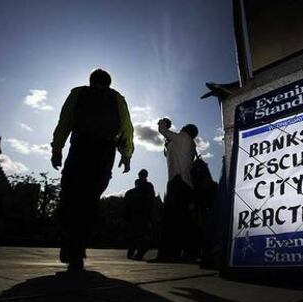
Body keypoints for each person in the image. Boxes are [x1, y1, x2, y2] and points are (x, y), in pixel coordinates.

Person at [51, 68, 134, 270]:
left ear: (90, 81)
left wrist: (57, 149)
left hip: (80, 147)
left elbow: (65, 121)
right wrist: (127, 154)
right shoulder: (117, 98)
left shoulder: (77, 93)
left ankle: (70, 239)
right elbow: (127, 128)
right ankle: (77, 250)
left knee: (70, 194)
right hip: (104, 152)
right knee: (90, 200)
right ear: (109, 83)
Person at [152, 118, 200, 262]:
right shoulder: (189, 144)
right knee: (184, 220)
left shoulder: (183, 137)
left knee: (171, 220)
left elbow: (163, 131)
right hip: (184, 185)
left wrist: (163, 122)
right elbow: (169, 154)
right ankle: (190, 252)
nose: (182, 127)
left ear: (187, 130)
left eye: (184, 125)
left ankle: (168, 253)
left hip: (177, 183)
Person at [124, 169, 155, 260]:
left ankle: (135, 253)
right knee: (139, 235)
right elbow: (151, 201)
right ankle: (136, 253)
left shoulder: (131, 192)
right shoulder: (147, 187)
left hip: (138, 215)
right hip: (141, 215)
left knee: (136, 235)